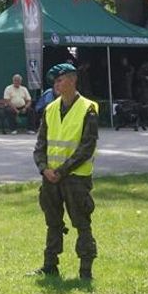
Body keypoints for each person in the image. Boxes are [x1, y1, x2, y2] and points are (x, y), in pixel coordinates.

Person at [31, 62, 99, 280]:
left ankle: (85, 270)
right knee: (53, 222)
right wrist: (44, 169)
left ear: (73, 80)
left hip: (75, 178)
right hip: (51, 178)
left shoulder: (88, 108)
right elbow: (40, 144)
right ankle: (50, 264)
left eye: (60, 80)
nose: (57, 85)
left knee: (81, 223)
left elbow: (87, 147)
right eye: (55, 82)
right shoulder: (50, 108)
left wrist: (61, 170)